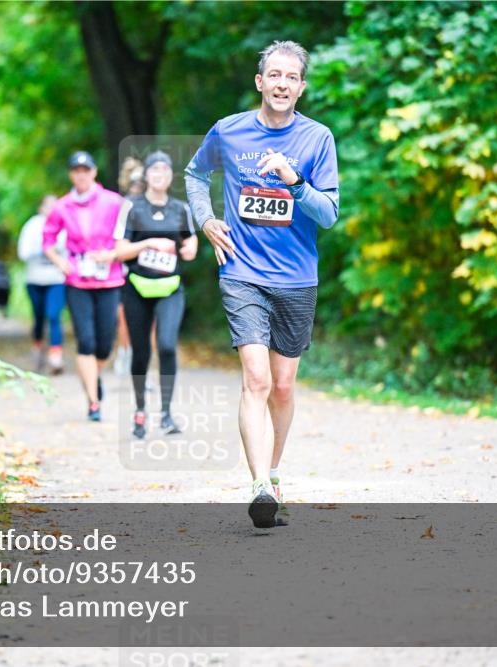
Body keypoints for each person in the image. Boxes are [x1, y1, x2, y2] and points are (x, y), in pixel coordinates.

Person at [184, 40, 340, 528]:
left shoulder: (317, 139)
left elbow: (329, 214)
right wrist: (206, 220)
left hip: (296, 278)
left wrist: (295, 181)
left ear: (301, 87)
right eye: (274, 75)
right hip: (241, 271)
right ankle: (257, 488)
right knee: (257, 378)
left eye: (291, 77)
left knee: (284, 386)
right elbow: (194, 173)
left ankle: (272, 474)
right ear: (260, 82)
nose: (281, 84)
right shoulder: (229, 131)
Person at [114, 151, 197, 439]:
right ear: (146, 175)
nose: (160, 174)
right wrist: (150, 243)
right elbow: (119, 251)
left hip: (170, 288)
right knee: (141, 352)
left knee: (167, 346)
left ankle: (166, 414)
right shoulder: (132, 207)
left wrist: (189, 249)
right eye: (154, 170)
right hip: (137, 286)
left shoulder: (180, 208)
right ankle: (139, 411)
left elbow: (190, 240)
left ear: (171, 176)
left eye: (165, 169)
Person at [43, 151, 127, 422]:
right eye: (76, 170)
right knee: (86, 341)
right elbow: (48, 240)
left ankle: (94, 375)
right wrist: (59, 261)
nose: (81, 174)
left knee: (104, 343)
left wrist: (112, 254)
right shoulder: (62, 206)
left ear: (94, 172)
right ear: (71, 174)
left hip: (109, 278)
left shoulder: (114, 202)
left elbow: (130, 234)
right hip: (77, 280)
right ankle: (93, 402)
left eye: (85, 170)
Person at [17, 195, 67, 374]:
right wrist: (43, 250)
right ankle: (38, 347)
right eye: (48, 206)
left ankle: (56, 356)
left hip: (56, 279)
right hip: (35, 279)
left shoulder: (65, 225)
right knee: (38, 317)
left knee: (54, 315)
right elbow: (23, 253)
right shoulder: (32, 226)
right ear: (41, 208)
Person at [113, 157, 145, 375]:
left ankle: (142, 365)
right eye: (135, 184)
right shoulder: (124, 206)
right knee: (125, 316)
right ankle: (125, 352)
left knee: (150, 323)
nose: (138, 188)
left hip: (150, 270)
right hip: (125, 269)